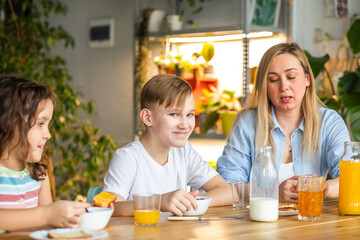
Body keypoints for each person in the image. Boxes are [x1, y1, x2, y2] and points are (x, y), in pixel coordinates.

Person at [216, 43, 350, 204]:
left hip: (310, 221)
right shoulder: (247, 123)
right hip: (257, 225)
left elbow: (351, 177)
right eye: (273, 80)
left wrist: (320, 188)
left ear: (307, 79)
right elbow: (227, 186)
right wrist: (272, 193)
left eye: (291, 77)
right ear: (264, 86)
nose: (284, 87)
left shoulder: (329, 122)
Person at [103, 74, 232, 216]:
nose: (184, 125)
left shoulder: (185, 151)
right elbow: (110, 208)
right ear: (147, 117)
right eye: (174, 114)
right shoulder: (128, 158)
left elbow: (228, 192)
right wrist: (158, 203)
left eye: (189, 115)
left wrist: (191, 203)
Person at [0, 76, 90, 231]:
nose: (47, 134)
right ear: (10, 124)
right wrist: (45, 215)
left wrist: (74, 215)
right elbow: (45, 215)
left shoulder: (38, 172)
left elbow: (47, 225)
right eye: (40, 123)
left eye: (47, 125)